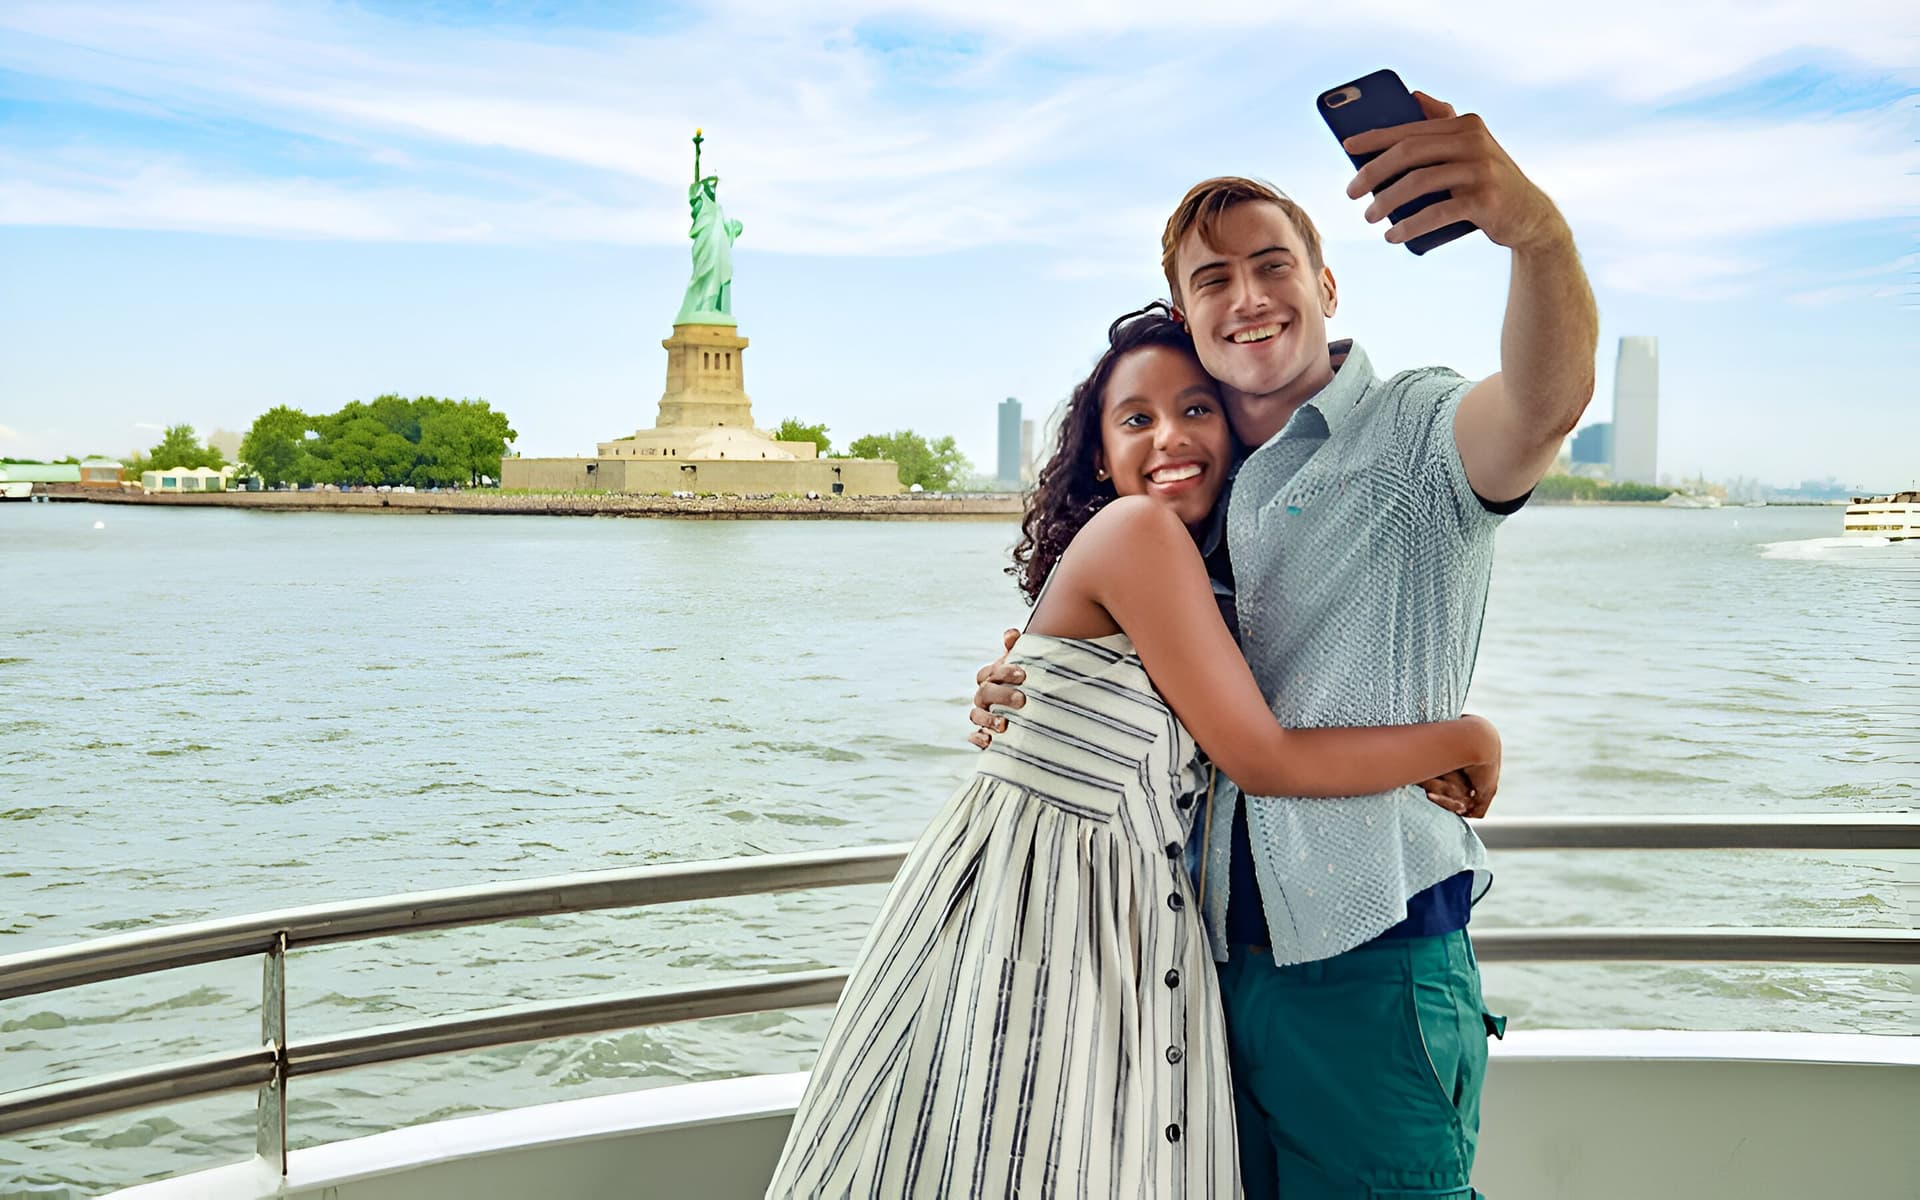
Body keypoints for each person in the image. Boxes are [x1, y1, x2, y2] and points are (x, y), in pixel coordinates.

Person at [969, 96, 1598, 1197]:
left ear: (1326, 286)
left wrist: (1532, 233)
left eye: (1273, 267)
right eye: (1213, 280)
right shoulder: (1195, 514)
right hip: (1197, 970)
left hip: (1370, 957)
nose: (1248, 298)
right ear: (1185, 313)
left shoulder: (1413, 434)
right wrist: (1023, 691)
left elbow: (1545, 405)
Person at [765, 306, 1502, 1199]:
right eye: (1137, 419)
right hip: (1043, 918)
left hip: (1109, 916)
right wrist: (1467, 737)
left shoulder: (1205, 581)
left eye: (1196, 410)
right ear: (1100, 455)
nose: (1170, 439)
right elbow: (1262, 756)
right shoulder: (1138, 535)